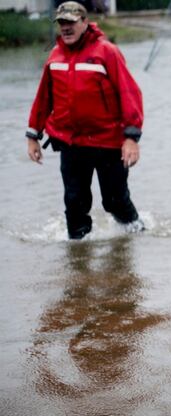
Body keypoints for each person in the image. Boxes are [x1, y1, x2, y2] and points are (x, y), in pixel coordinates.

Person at [26, 1, 144, 239]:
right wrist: (33, 135)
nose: (66, 28)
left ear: (84, 22)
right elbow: (43, 99)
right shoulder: (55, 56)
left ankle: (136, 235)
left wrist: (131, 138)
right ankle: (78, 259)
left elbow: (129, 93)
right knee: (74, 202)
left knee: (114, 201)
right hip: (71, 143)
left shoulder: (107, 51)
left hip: (109, 143)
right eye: (61, 23)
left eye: (70, 22)